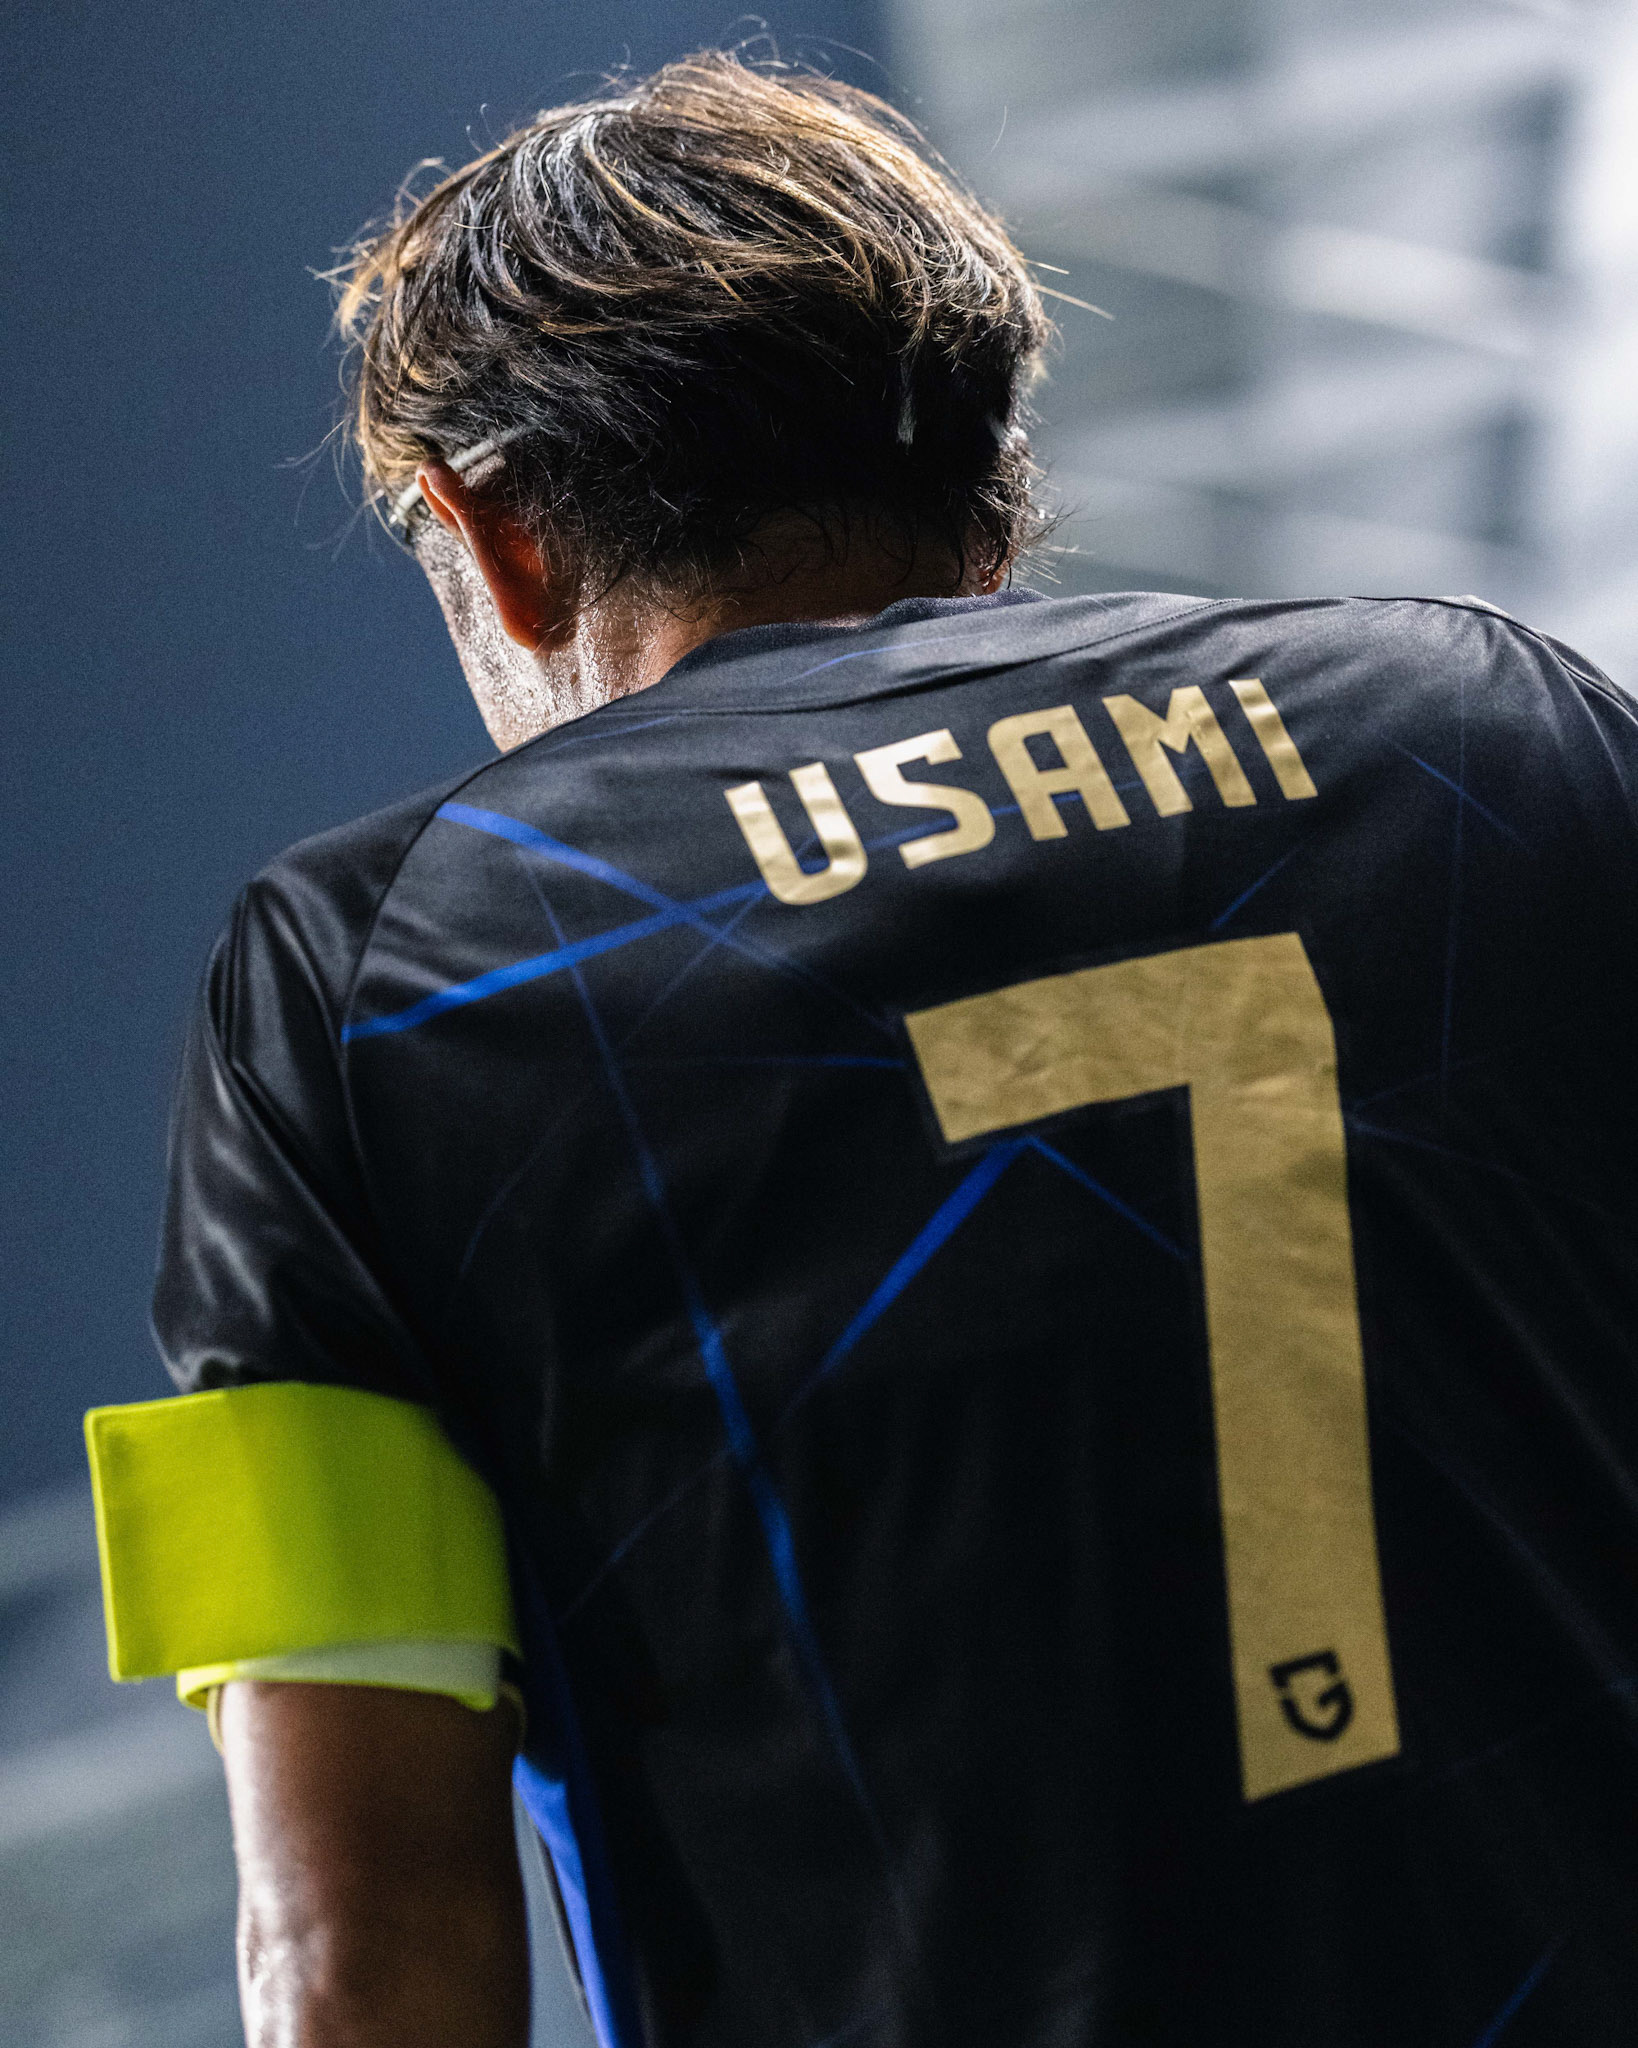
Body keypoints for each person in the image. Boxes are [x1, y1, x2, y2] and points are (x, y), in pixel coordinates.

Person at [84, 50, 1638, 2048]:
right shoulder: (1492, 721)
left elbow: (364, 1948)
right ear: (992, 475)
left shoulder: (364, 977)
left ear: (495, 542)